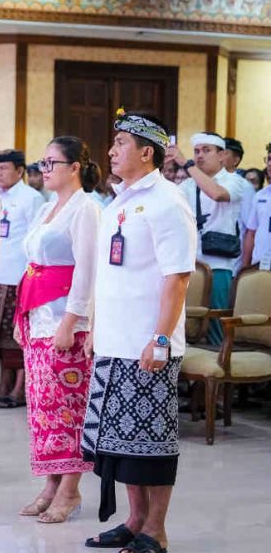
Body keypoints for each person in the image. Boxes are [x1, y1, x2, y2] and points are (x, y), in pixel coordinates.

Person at [82, 110, 195, 553]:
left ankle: (155, 531)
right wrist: (94, 327)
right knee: (120, 445)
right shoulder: (119, 201)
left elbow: (177, 278)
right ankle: (133, 521)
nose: (111, 150)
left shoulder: (169, 201)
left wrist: (161, 338)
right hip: (114, 342)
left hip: (148, 344)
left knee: (151, 443)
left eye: (122, 143)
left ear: (147, 152)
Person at [15, 137, 100, 523]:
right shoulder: (48, 208)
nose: (44, 169)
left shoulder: (86, 209)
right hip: (38, 317)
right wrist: (24, 317)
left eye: (51, 163)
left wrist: (71, 321)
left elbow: (86, 271)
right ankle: (50, 483)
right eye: (42, 162)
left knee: (68, 409)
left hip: (67, 321)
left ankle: (70, 488)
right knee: (43, 411)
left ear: (75, 167)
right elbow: (32, 263)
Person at [167, 132, 245, 345]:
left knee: (216, 325)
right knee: (186, 323)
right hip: (189, 264)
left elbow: (217, 194)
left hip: (219, 264)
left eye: (206, 150)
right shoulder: (187, 186)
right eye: (196, 151)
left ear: (222, 155)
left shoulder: (235, 181)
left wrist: (187, 164)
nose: (200, 156)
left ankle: (216, 374)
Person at [0, 149, 44, 409]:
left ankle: (18, 389)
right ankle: (0, 384)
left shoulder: (31, 198)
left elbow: (35, 241)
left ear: (20, 171)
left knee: (15, 339)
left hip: (17, 277)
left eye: (4, 168)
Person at [242, 143, 271, 268]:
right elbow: (251, 233)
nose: (269, 164)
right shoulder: (260, 195)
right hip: (260, 264)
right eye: (269, 159)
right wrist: (244, 267)